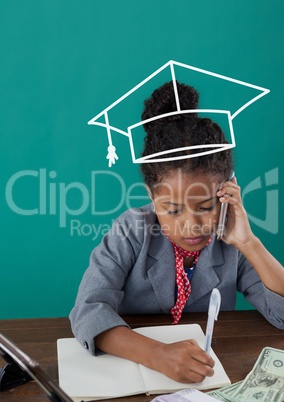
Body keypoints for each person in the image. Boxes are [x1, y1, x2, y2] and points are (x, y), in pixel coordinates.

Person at [69, 82, 284, 384]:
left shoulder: (230, 238)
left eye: (206, 206)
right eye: (172, 209)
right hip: (132, 371)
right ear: (151, 195)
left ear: (227, 191)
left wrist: (250, 243)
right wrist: (157, 355)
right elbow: (88, 312)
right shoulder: (132, 230)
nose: (191, 224)